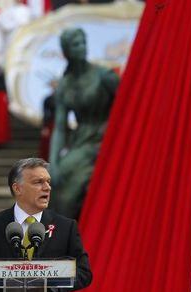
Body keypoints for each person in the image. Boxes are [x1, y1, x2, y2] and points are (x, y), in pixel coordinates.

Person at [0, 158, 92, 292]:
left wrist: (54, 279)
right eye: (38, 182)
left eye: (48, 182)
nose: (47, 187)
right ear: (17, 188)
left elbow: (84, 272)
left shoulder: (66, 227)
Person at [49, 28, 119, 220]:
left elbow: (126, 108)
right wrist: (53, 161)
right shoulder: (65, 84)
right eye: (75, 45)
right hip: (81, 140)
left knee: (69, 182)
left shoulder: (105, 76)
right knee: (59, 176)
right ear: (66, 52)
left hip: (105, 138)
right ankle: (64, 237)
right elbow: (60, 128)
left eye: (83, 43)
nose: (81, 48)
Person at [39, 79, 57, 161]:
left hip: (58, 124)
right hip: (50, 123)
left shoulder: (62, 99)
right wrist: (45, 126)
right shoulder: (48, 99)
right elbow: (45, 114)